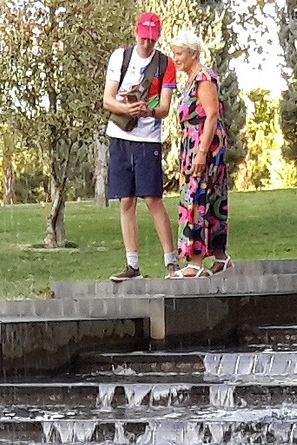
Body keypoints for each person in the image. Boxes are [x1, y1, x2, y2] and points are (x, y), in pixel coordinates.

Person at [103, 11, 178, 281]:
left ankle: (171, 261)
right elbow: (107, 100)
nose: (146, 44)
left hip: (148, 139)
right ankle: (132, 265)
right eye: (143, 38)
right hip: (121, 135)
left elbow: (166, 108)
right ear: (136, 33)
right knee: (126, 200)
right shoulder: (120, 57)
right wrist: (127, 107)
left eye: (151, 39)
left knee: (152, 198)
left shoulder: (165, 64)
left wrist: (149, 111)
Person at [169, 32, 229, 277]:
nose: (175, 58)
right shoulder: (191, 79)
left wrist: (202, 153)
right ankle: (221, 258)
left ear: (194, 53)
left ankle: (195, 262)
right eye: (174, 53)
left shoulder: (204, 78)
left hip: (204, 144)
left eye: (179, 53)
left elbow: (211, 114)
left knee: (197, 198)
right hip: (193, 144)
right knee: (209, 198)